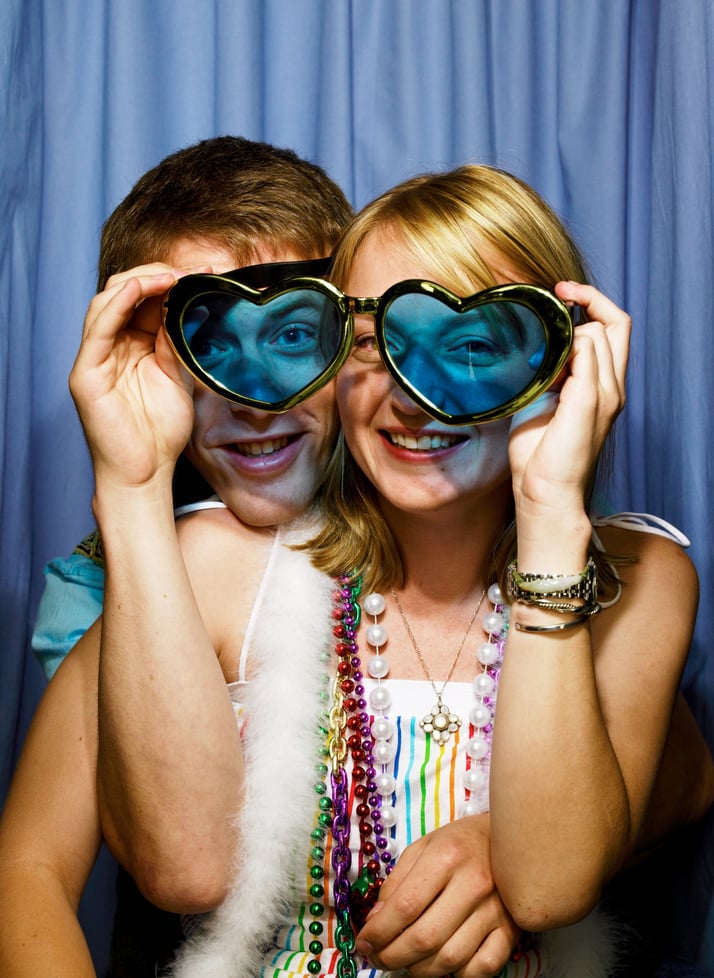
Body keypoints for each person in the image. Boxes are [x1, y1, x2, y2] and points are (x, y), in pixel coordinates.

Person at [85, 164, 712, 977]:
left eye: (475, 345)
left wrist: (552, 508)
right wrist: (132, 487)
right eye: (379, 345)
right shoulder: (222, 562)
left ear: (556, 364)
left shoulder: (641, 575)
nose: (414, 397)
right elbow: (182, 871)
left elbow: (552, 886)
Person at [0, 133, 354, 977]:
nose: (255, 400)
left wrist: (501, 846)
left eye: (294, 334)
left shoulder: (439, 522)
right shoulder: (108, 580)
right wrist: (131, 488)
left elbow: (673, 769)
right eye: (207, 342)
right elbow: (34, 868)